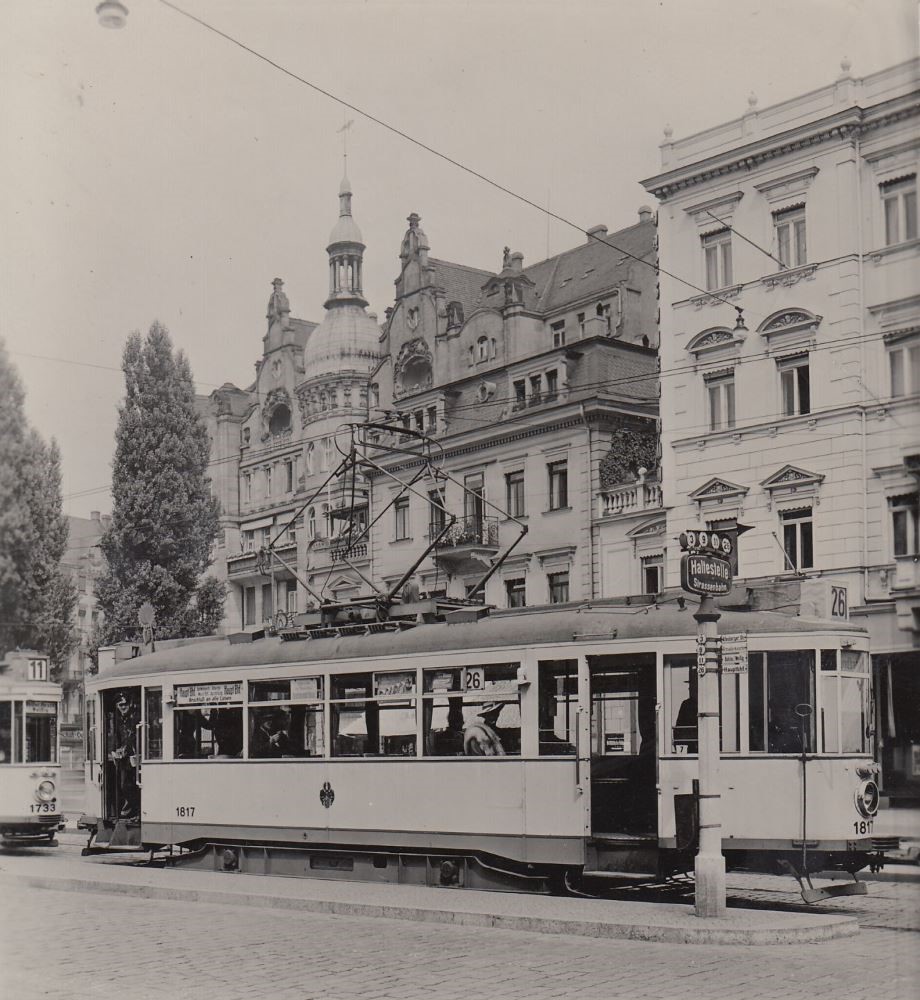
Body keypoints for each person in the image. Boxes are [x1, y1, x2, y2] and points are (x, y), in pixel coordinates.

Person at [109, 693, 139, 818]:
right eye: (120, 705)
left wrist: (126, 749)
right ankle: (130, 809)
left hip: (134, 756)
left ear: (129, 704)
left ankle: (134, 810)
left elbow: (134, 736)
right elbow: (116, 736)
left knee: (130, 785)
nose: (123, 707)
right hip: (123, 759)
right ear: (117, 706)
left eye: (125, 704)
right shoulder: (117, 719)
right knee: (123, 785)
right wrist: (114, 750)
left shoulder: (135, 717)